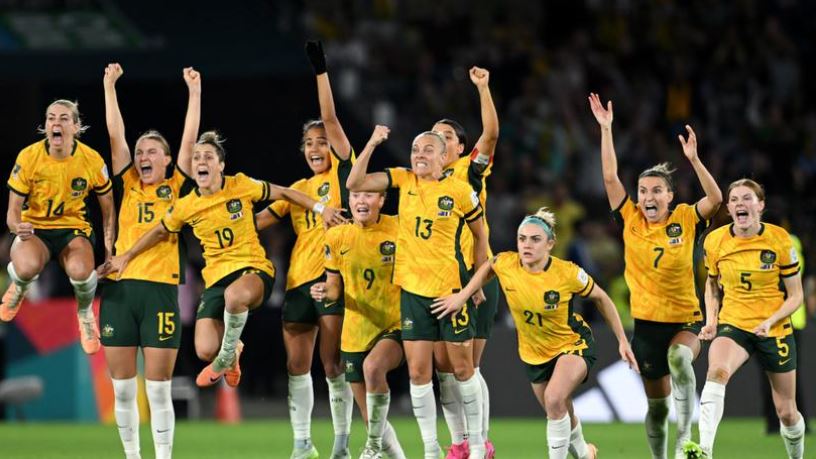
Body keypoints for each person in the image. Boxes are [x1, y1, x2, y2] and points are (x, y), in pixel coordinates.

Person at [100, 131, 346, 396]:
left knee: (234, 296)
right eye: (196, 158)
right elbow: (159, 230)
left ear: (220, 165)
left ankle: (225, 358)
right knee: (204, 349)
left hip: (253, 270)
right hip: (216, 279)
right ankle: (233, 350)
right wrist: (127, 255)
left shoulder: (240, 184)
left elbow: (285, 192)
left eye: (207, 157)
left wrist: (322, 209)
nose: (200, 161)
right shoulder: (186, 205)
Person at [431, 207, 638, 459]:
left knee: (554, 398)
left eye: (535, 239)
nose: (527, 245)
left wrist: (622, 340)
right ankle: (585, 453)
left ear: (550, 244)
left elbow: (602, 298)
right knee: (559, 408)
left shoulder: (567, 273)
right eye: (522, 239)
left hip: (572, 343)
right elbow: (489, 266)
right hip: (534, 353)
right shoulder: (508, 264)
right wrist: (464, 295)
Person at [589, 92, 722, 459]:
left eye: (657, 191)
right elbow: (609, 176)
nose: (649, 196)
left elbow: (715, 199)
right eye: (643, 191)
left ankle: (685, 440)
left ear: (670, 196)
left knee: (680, 357)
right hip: (647, 326)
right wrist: (606, 129)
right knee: (658, 409)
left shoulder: (685, 218)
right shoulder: (630, 219)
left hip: (685, 320)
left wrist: (694, 160)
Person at [347, 127, 490, 459]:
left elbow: (480, 235)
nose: (419, 155)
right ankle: (431, 449)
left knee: (462, 369)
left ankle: (477, 445)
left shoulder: (460, 191)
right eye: (415, 149)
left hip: (450, 293)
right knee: (417, 373)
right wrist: (371, 143)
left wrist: (475, 285)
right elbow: (354, 183)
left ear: (443, 156)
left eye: (427, 150)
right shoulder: (403, 179)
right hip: (412, 293)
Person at [254, 40, 355, 459]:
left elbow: (330, 118)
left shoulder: (346, 175)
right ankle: (302, 444)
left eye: (322, 142)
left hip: (334, 281)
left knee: (333, 365)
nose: (316, 148)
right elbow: (258, 221)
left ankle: (341, 445)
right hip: (298, 283)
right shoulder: (297, 191)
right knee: (297, 366)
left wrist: (321, 72)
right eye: (310, 143)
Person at [97, 63, 199, 459]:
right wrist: (109, 87)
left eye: (152, 151)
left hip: (160, 292)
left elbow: (189, 141)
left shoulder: (178, 186)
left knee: (158, 389)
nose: (143, 156)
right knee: (123, 389)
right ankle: (132, 457)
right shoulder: (127, 184)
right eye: (140, 151)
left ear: (168, 159)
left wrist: (194, 93)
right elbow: (115, 135)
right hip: (120, 291)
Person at [684, 179, 805, 459]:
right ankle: (704, 450)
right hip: (734, 324)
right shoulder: (715, 241)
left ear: (760, 205)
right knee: (717, 371)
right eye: (735, 199)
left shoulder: (780, 240)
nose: (740, 204)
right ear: (728, 208)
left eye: (747, 198)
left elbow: (796, 295)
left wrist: (771, 320)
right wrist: (711, 321)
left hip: (773, 328)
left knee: (786, 412)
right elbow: (712, 285)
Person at [3, 99, 116, 356]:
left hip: (73, 230)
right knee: (26, 266)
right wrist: (17, 227)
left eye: (64, 118)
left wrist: (110, 253)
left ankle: (85, 315)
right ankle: (18, 288)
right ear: (45, 126)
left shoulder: (91, 160)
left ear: (76, 127)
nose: (56, 123)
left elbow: (108, 210)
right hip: (36, 229)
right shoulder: (29, 157)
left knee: (81, 271)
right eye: (51, 118)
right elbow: (12, 211)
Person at [309, 165, 406, 459]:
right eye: (355, 195)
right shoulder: (336, 237)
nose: (361, 201)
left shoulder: (399, 228)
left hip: (393, 323)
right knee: (370, 416)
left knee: (374, 368)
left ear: (382, 200)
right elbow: (334, 288)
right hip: (354, 331)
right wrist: (324, 291)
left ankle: (372, 446)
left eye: (369, 195)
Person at [431, 65, 499, 459]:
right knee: (443, 367)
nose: (438, 141)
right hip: (438, 279)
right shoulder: (421, 181)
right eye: (433, 135)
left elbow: (490, 134)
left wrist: (483, 88)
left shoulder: (468, 172)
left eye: (446, 137)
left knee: (467, 366)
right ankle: (458, 442)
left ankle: (480, 442)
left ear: (459, 148)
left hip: (474, 277)